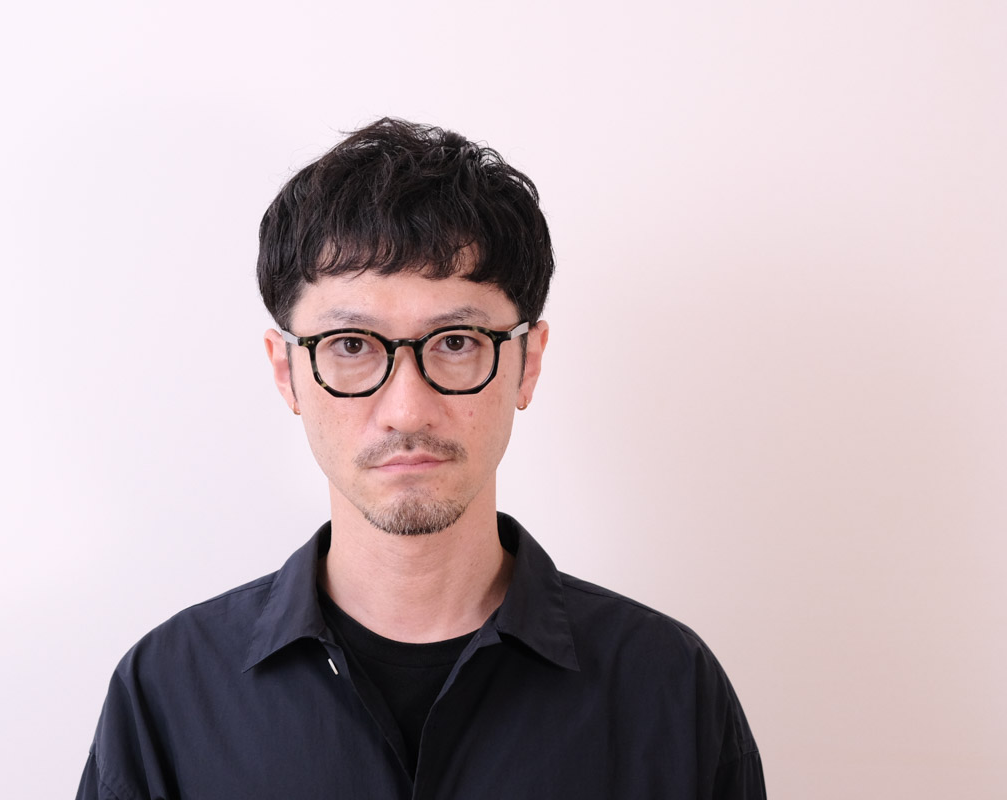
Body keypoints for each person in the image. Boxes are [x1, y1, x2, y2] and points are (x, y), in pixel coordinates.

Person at [76, 118, 767, 799]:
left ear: (527, 364)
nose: (407, 410)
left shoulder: (669, 688)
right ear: (287, 371)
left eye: (457, 342)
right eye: (351, 345)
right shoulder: (167, 693)